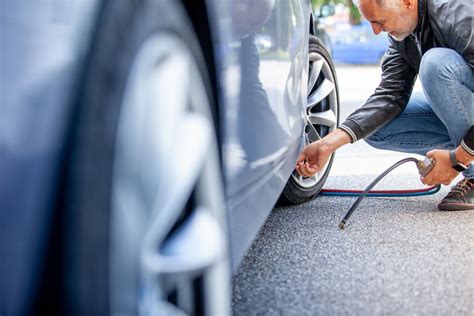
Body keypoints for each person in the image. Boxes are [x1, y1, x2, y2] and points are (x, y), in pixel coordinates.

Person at [296, 0, 473, 210]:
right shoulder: (403, 32)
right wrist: (327, 144)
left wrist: (458, 159)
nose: (376, 31)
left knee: (435, 63)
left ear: (407, 2)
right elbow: (389, 97)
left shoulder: (459, 15)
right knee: (376, 128)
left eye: (379, 21)